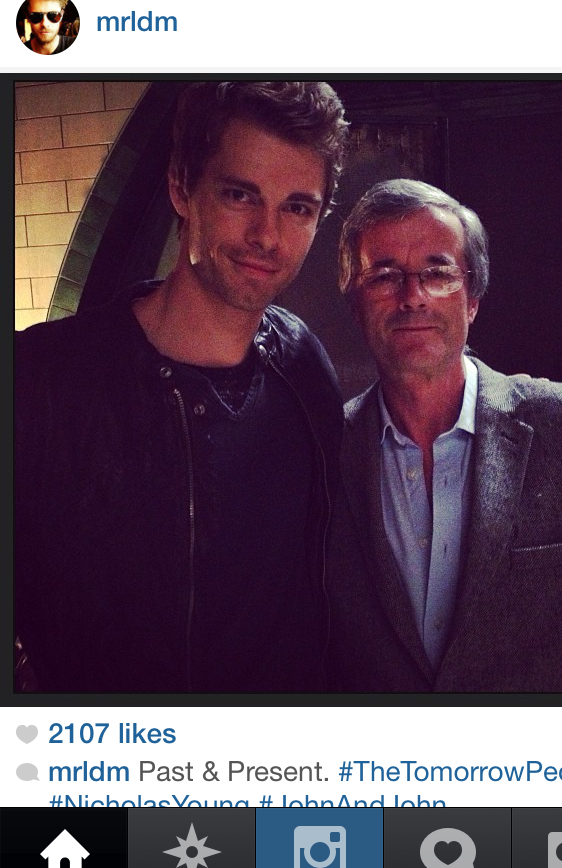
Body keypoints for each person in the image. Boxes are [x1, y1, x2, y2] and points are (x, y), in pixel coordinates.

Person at [15, 81, 350, 693]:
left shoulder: (303, 365)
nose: (267, 235)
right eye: (239, 194)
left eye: (297, 208)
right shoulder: (41, 382)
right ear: (180, 188)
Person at [328, 179, 562, 693]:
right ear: (356, 303)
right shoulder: (321, 454)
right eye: (385, 276)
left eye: (438, 273)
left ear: (473, 300)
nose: (413, 297)